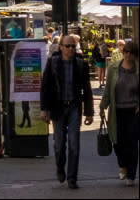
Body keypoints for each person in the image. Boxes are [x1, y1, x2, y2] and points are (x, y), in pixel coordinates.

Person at [40, 33, 94, 189]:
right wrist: (44, 109)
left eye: (73, 46)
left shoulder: (80, 64)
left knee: (74, 144)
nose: (71, 49)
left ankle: (72, 178)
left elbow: (87, 89)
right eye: (68, 46)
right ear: (61, 47)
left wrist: (89, 112)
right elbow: (45, 87)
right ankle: (60, 166)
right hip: (58, 107)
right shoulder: (53, 62)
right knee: (59, 144)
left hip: (74, 107)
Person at [100, 39, 139, 186]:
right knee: (117, 142)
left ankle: (131, 175)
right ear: (123, 52)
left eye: (131, 52)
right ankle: (122, 164)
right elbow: (108, 88)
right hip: (117, 111)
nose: (128, 55)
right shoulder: (114, 68)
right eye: (126, 52)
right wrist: (102, 107)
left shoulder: (138, 69)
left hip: (133, 111)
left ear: (135, 54)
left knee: (132, 143)